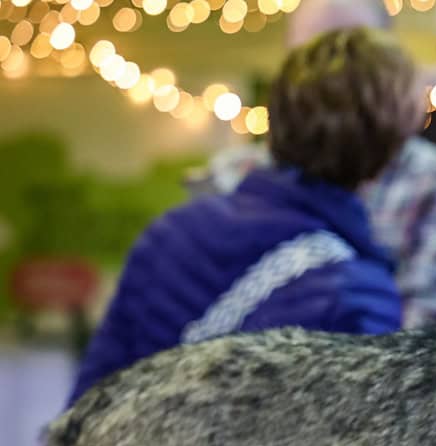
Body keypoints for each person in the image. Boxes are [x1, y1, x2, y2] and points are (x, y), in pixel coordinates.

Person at [67, 27, 418, 405]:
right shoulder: (361, 295)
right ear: (391, 147)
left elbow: (89, 402)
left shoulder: (171, 232)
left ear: (276, 119)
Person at [193, 0, 436, 328]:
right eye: (312, 54)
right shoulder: (234, 174)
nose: (329, 79)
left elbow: (429, 333)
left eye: (350, 54)